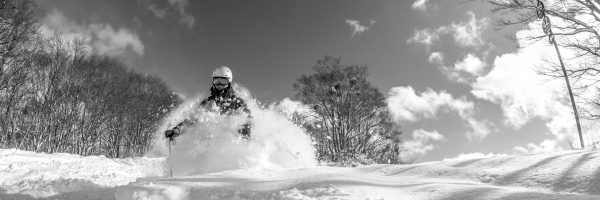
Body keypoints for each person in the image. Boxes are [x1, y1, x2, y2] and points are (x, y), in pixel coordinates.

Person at [164, 66, 252, 141]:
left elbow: (247, 118)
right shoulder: (208, 102)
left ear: (229, 82)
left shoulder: (237, 102)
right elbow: (192, 119)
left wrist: (244, 133)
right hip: (210, 145)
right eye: (217, 81)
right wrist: (177, 130)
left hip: (231, 143)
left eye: (223, 81)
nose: (220, 85)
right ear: (213, 82)